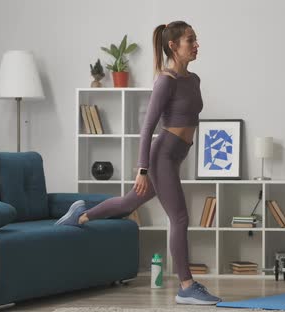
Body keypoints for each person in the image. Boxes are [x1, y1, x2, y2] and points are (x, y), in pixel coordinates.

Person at [55, 21, 221, 305]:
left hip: (176, 155)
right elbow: (147, 127)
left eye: (196, 39)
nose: (196, 45)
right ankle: (186, 286)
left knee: (130, 203)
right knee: (179, 217)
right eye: (190, 40)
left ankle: (80, 215)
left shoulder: (193, 80)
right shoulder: (165, 80)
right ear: (173, 45)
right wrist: (143, 168)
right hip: (162, 156)